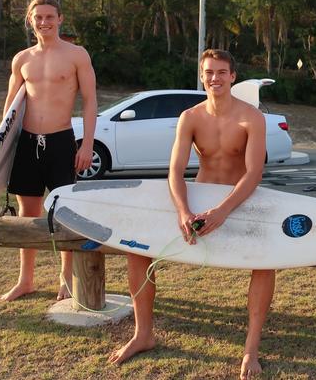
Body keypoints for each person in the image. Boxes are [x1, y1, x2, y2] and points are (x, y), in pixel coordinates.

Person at [108, 49, 274, 379]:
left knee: (267, 261)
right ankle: (143, 334)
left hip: (236, 204)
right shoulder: (191, 117)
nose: (215, 78)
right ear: (202, 76)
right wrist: (184, 210)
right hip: (198, 204)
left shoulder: (251, 118)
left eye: (221, 72)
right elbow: (175, 171)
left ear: (233, 76)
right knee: (136, 250)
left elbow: (254, 173)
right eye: (209, 72)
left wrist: (224, 211)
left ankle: (250, 350)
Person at [0, 0, 97, 303]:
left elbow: (90, 101)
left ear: (60, 19)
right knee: (28, 213)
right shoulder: (22, 59)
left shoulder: (77, 55)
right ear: (31, 20)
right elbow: (11, 104)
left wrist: (87, 145)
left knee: (62, 212)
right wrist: (2, 145)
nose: (44, 22)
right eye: (38, 17)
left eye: (49, 16)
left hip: (60, 142)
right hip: (26, 142)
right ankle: (25, 280)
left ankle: (66, 280)